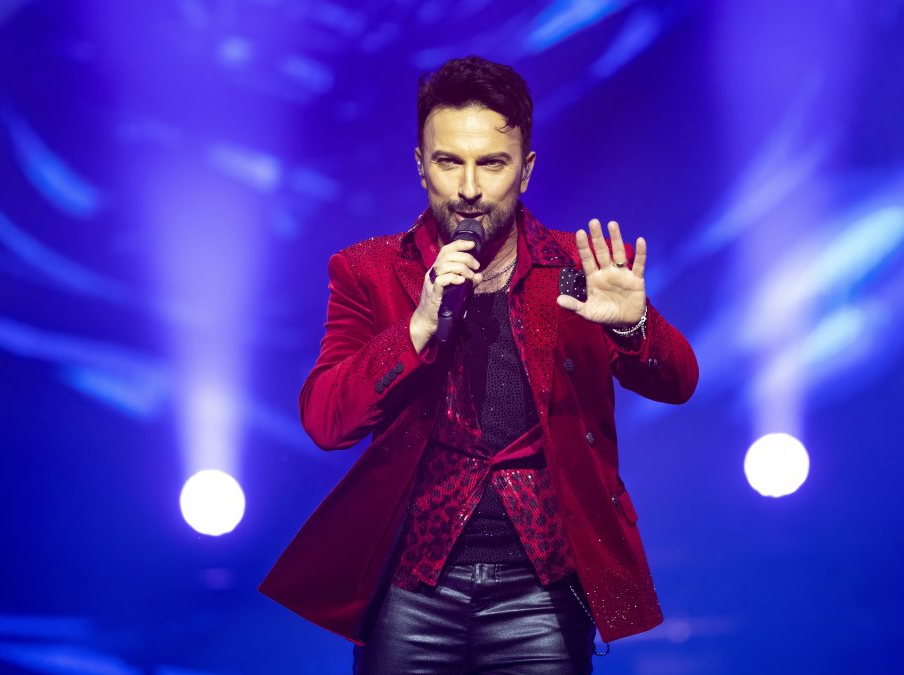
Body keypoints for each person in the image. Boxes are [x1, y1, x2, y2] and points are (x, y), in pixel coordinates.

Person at [260, 55, 699, 674]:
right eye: (449, 162)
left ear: (525, 170)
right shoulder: (369, 271)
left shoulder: (580, 268)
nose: (469, 187)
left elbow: (680, 383)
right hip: (414, 585)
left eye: (491, 162)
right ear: (420, 167)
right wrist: (414, 330)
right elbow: (326, 421)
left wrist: (634, 324)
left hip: (540, 590)